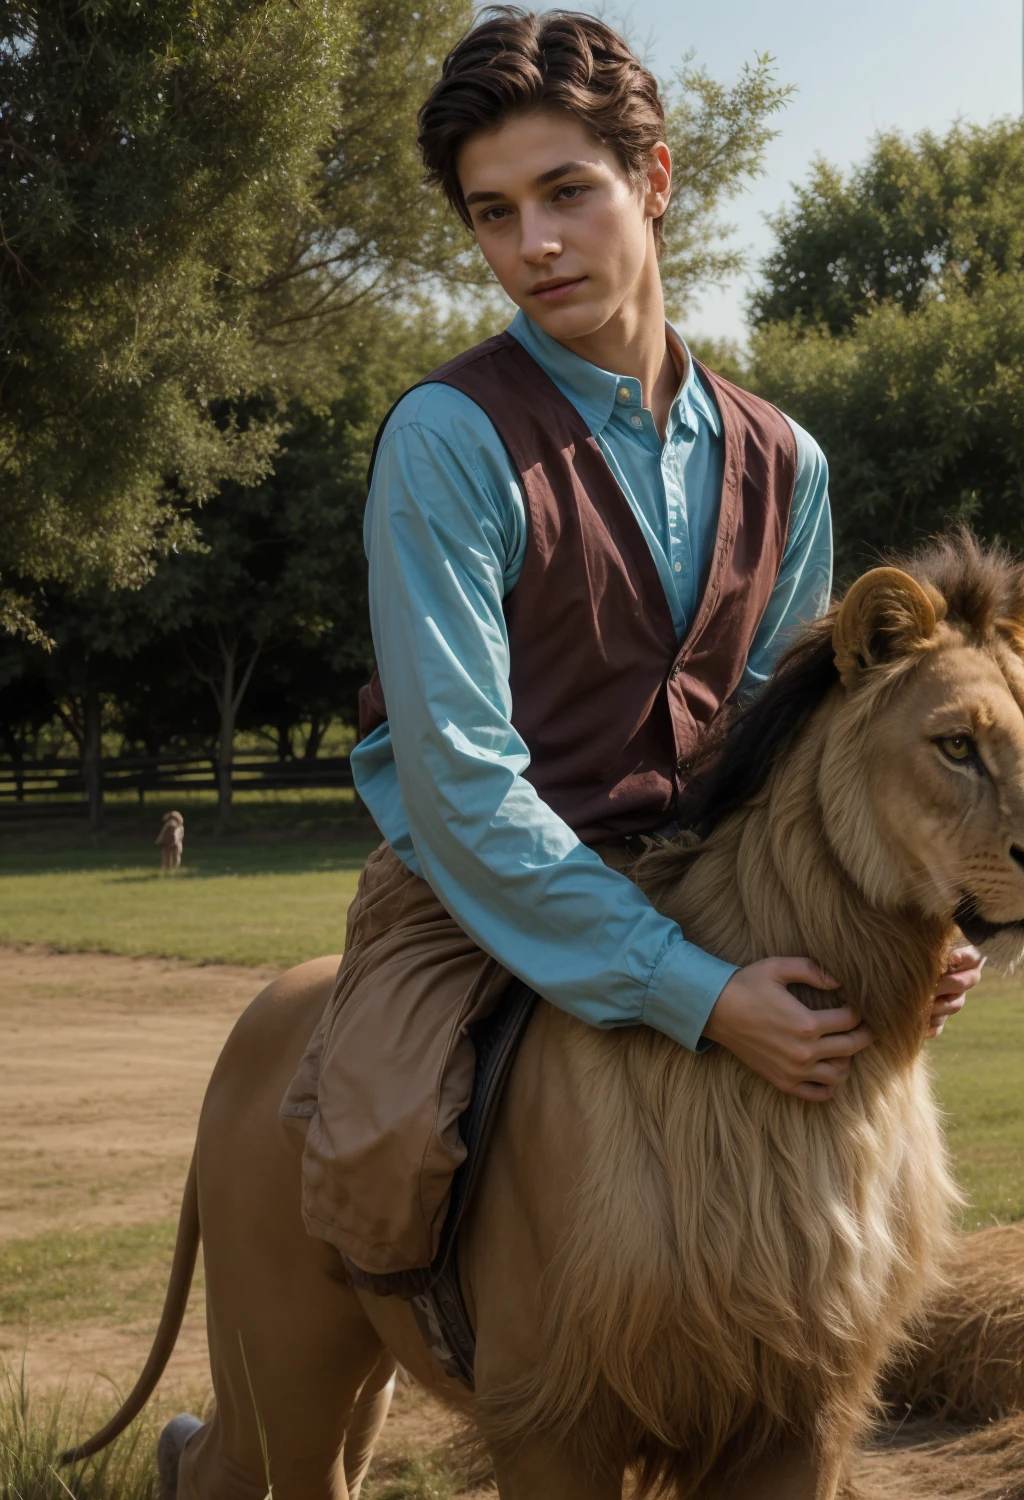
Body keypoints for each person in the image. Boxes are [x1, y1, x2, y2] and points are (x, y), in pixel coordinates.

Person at [282, 7, 982, 1284]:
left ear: (652, 182)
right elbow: (456, 782)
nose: (533, 245)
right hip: (466, 892)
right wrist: (696, 993)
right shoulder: (447, 437)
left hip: (707, 877)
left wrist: (923, 910)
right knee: (381, 1167)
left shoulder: (787, 460)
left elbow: (794, 756)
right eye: (492, 214)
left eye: (566, 192)